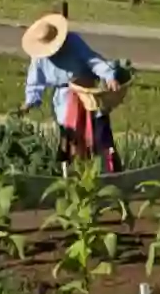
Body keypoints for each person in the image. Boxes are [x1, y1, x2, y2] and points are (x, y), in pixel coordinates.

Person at [19, 13, 129, 174]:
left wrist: (109, 76)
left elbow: (92, 60)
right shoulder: (40, 57)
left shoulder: (73, 42)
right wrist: (30, 101)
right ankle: (72, 176)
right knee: (70, 139)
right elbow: (35, 81)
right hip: (64, 101)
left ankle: (111, 173)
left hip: (88, 96)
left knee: (101, 136)